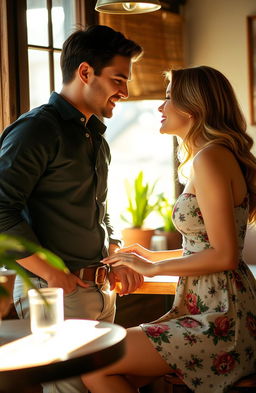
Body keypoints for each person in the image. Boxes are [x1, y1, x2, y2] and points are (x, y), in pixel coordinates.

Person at [81, 66, 256, 393]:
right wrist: (152, 254)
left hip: (219, 319)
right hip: (209, 307)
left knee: (94, 360)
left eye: (167, 98)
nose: (160, 107)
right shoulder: (211, 157)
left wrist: (153, 267)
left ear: (193, 107)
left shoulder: (211, 159)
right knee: (114, 371)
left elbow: (225, 256)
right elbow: (206, 245)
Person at [0, 25, 143, 393]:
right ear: (84, 73)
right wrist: (51, 274)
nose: (125, 92)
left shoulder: (94, 135)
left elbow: (98, 209)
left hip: (100, 289)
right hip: (52, 293)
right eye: (118, 79)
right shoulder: (35, 131)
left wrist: (115, 255)